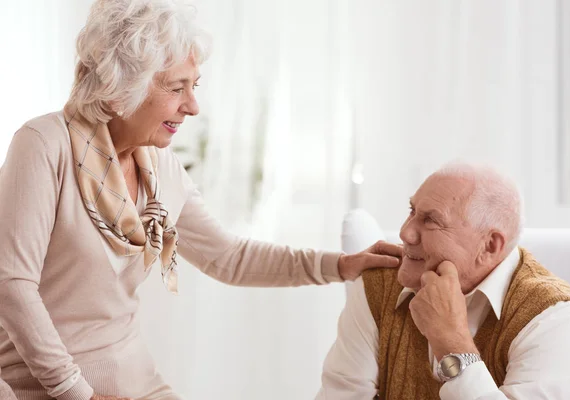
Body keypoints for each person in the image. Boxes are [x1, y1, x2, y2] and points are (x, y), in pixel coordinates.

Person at [0, 0, 403, 399]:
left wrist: (339, 265)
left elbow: (228, 257)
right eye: (177, 88)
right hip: (45, 388)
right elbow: (12, 284)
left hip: (139, 384)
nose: (192, 106)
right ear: (121, 85)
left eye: (194, 86)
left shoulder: (161, 168)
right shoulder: (43, 145)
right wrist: (78, 395)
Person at [317, 163, 570, 399]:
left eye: (430, 220)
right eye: (412, 211)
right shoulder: (379, 284)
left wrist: (451, 342)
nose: (405, 233)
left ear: (489, 246)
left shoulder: (558, 320)